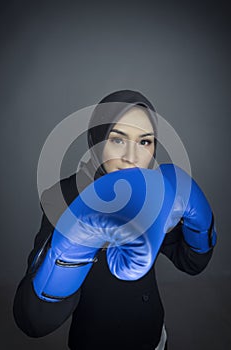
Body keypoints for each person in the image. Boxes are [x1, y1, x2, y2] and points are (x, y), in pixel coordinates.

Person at [13, 90, 217, 350]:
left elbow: (191, 262)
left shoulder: (154, 190)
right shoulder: (64, 196)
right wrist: (74, 249)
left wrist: (201, 228)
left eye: (145, 142)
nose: (132, 157)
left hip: (155, 337)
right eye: (118, 140)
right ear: (96, 140)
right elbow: (33, 321)